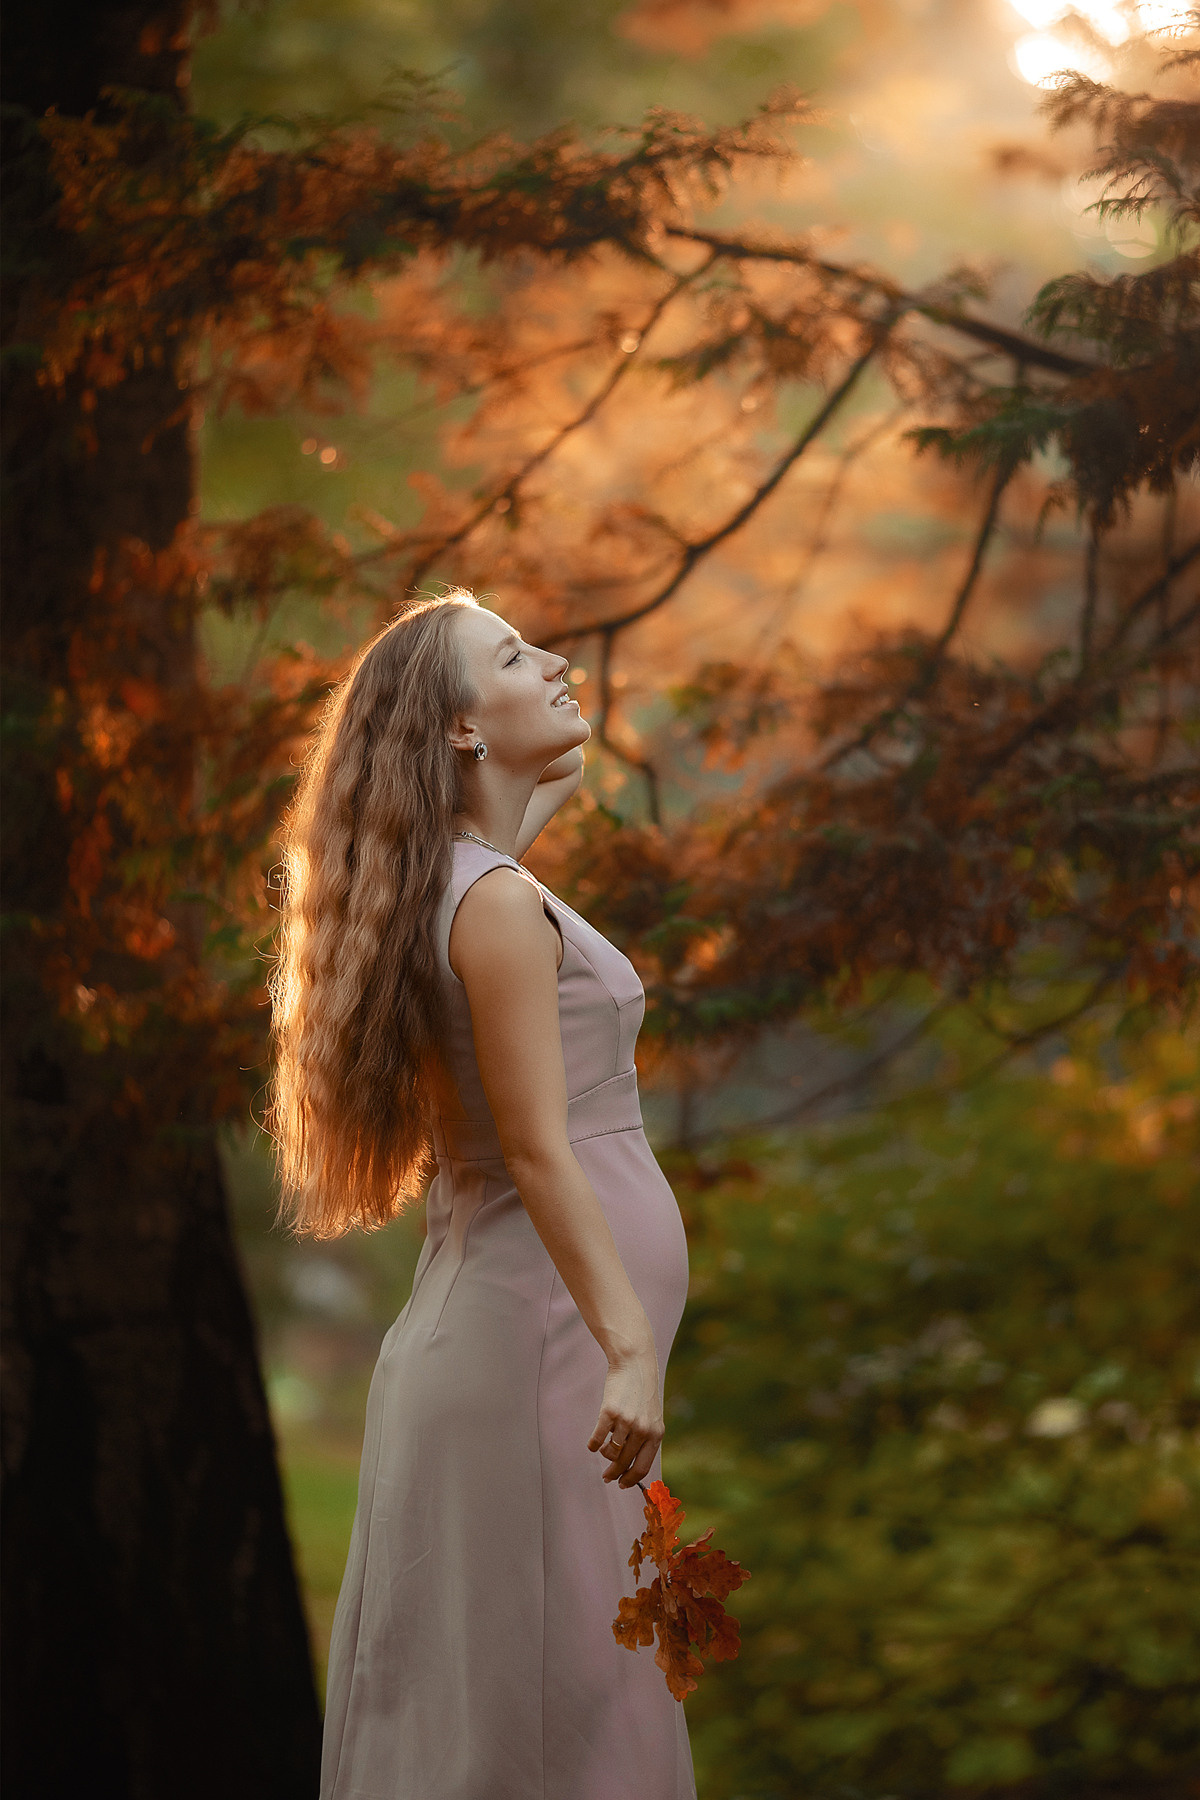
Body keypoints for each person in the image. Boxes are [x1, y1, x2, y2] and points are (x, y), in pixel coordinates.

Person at [269, 590, 696, 1800]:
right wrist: (629, 1348)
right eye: (515, 655)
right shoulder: (496, 906)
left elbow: (550, 760)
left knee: (561, 1700)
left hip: (527, 1338)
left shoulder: (470, 876)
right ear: (460, 727)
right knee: (547, 1720)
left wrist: (541, 720)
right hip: (541, 1346)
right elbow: (540, 1148)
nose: (557, 660)